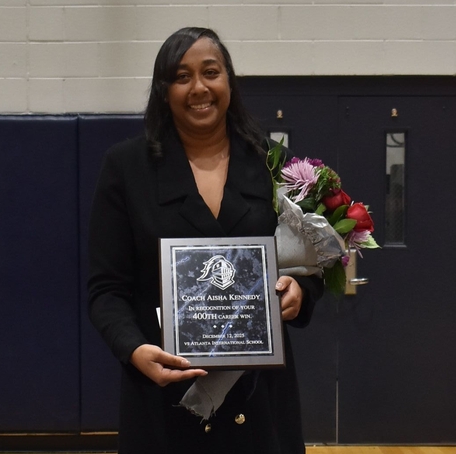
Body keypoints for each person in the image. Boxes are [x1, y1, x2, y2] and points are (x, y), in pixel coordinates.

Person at [88, 27, 324, 454]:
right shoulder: (126, 168)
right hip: (165, 397)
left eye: (210, 72)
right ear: (164, 92)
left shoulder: (274, 164)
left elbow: (308, 265)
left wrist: (300, 290)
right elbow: (106, 289)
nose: (198, 87)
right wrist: (134, 349)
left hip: (258, 401)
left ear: (229, 82)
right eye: (182, 77)